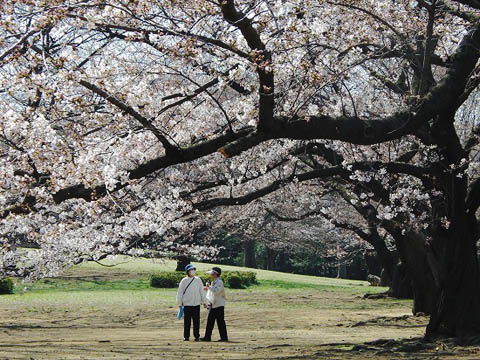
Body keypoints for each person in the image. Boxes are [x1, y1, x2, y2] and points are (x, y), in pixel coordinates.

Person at [176, 264, 206, 342]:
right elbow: (180, 292)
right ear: (187, 272)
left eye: (193, 269)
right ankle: (186, 336)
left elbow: (201, 291)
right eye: (191, 270)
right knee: (187, 321)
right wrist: (179, 303)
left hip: (196, 304)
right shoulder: (184, 280)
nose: (192, 271)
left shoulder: (198, 279)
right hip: (187, 304)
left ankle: (196, 336)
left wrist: (204, 301)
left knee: (196, 321)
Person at [200, 266, 229, 342]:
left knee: (220, 322)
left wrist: (209, 287)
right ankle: (207, 337)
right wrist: (208, 288)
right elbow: (212, 292)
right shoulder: (214, 281)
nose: (211, 275)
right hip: (213, 304)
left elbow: (216, 291)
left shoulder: (219, 282)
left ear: (216, 274)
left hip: (219, 305)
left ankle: (224, 337)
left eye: (212, 273)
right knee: (210, 321)